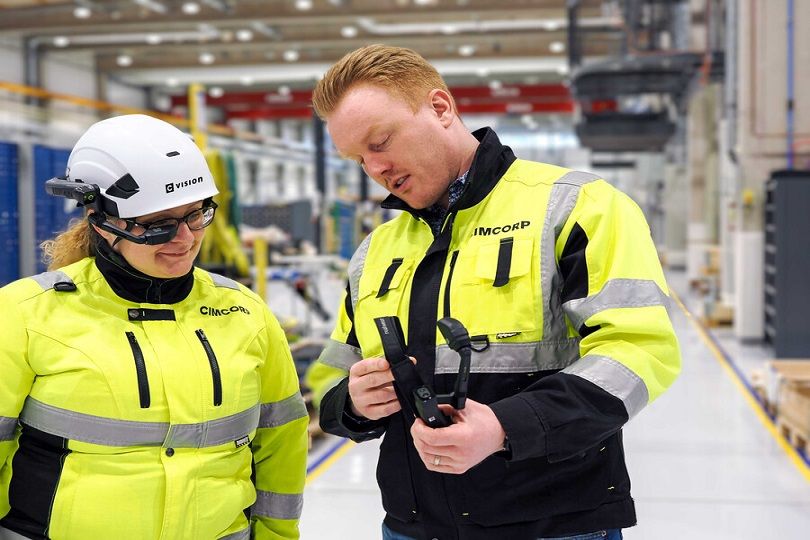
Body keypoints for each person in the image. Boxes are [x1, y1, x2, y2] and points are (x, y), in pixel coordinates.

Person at [309, 45, 681, 540]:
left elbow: (638, 352)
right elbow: (332, 375)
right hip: (414, 527)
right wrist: (352, 402)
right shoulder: (375, 250)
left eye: (380, 141)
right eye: (357, 158)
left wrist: (507, 426)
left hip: (553, 525)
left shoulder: (574, 206)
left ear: (441, 109)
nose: (374, 168)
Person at [0, 114, 308, 540]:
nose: (184, 239)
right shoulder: (25, 314)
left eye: (196, 215)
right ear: (101, 220)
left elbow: (281, 442)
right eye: (158, 225)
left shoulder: (245, 313)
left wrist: (276, 535)